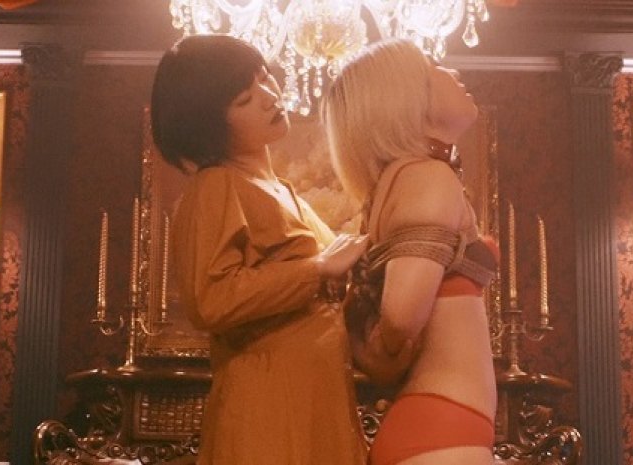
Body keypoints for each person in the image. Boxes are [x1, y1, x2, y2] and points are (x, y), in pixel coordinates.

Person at [151, 34, 376, 465]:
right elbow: (209, 298)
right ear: (208, 123)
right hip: (269, 407)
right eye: (244, 98)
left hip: (316, 400)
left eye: (265, 77)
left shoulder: (283, 191)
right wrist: (318, 269)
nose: (270, 96)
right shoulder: (216, 185)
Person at [322, 39, 499, 465]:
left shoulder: (401, 181)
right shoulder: (428, 176)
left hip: (440, 428)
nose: (453, 72)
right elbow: (400, 318)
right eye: (434, 65)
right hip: (441, 433)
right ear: (404, 96)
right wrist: (391, 341)